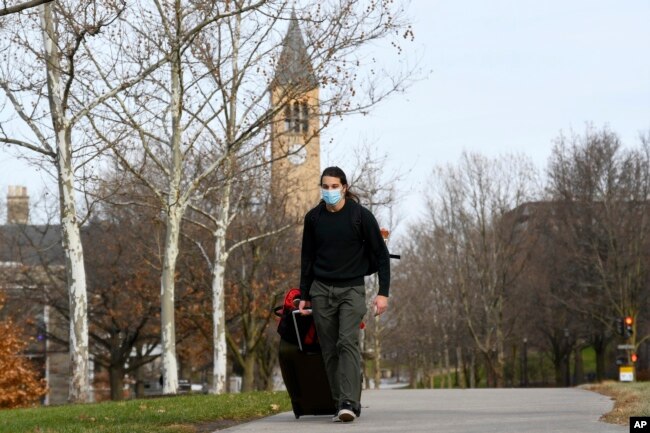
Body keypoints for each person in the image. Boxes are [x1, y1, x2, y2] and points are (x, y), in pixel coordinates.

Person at [298, 166, 390, 423]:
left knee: (347, 342)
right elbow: (307, 258)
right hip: (321, 290)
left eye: (334, 186)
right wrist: (304, 294)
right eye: (325, 187)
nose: (329, 191)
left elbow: (382, 256)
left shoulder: (360, 216)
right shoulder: (313, 218)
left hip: (351, 289)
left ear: (344, 187)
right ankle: (341, 403)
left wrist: (383, 293)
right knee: (329, 348)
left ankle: (349, 401)